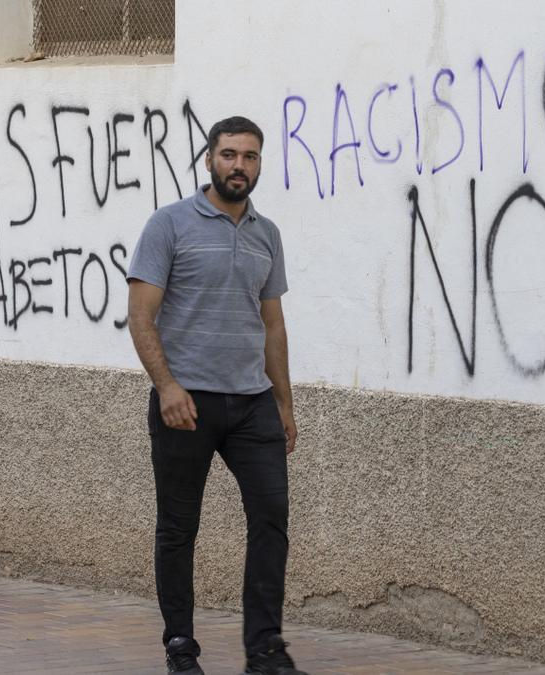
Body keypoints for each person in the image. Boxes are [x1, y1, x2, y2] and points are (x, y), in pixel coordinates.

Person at [126, 116, 307, 675]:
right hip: (187, 404)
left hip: (252, 401)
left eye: (249, 157)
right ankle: (181, 648)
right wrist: (167, 387)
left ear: (258, 165)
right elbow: (140, 315)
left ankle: (265, 649)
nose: (239, 166)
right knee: (179, 528)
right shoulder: (169, 224)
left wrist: (284, 403)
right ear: (209, 160)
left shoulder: (266, 233)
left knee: (271, 515)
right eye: (229, 155)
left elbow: (272, 324)